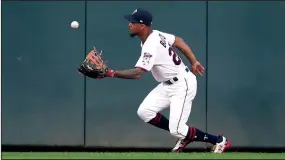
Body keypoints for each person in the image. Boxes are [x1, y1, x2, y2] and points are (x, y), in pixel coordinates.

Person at [105, 8, 231, 153]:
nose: (129, 24)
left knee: (176, 130)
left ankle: (219, 140)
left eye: (132, 22)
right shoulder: (155, 34)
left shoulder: (151, 44)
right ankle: (183, 133)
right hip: (167, 85)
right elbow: (178, 41)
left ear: (142, 26)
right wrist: (193, 61)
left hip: (182, 84)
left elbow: (138, 73)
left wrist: (110, 73)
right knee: (145, 111)